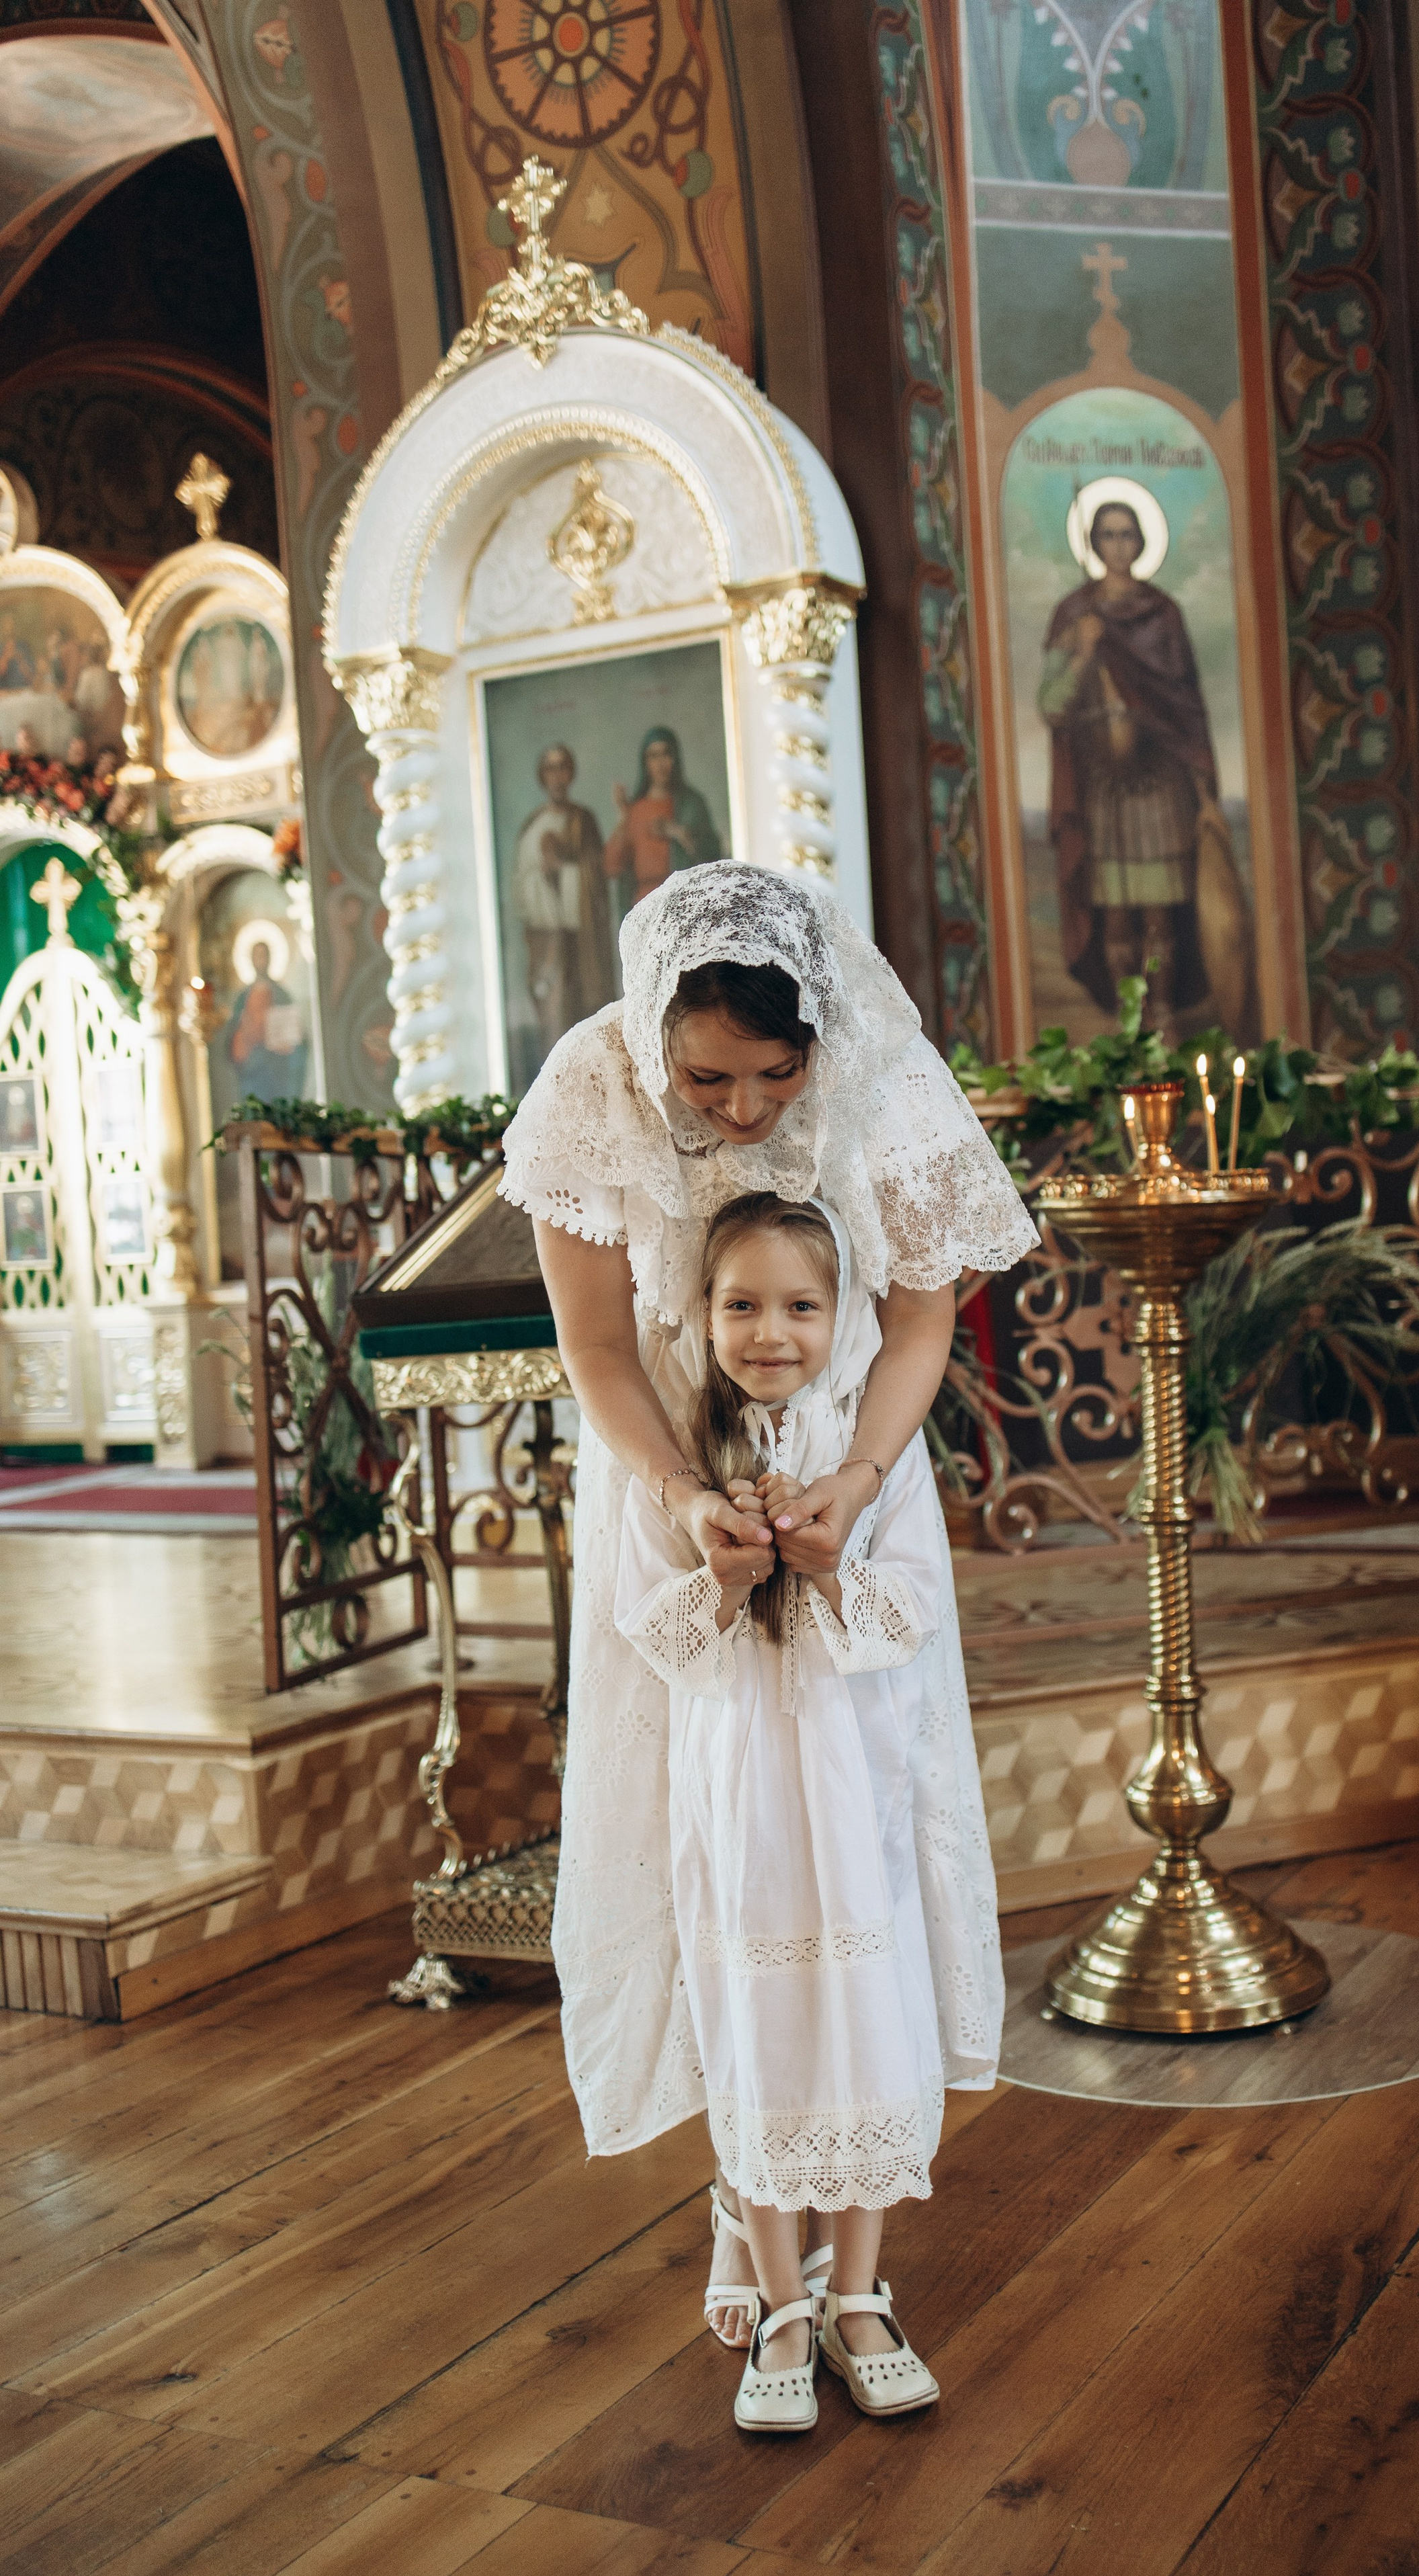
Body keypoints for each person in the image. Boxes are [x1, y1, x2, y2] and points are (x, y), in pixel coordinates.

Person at [500, 862, 1036, 2427]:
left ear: (820, 1041)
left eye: (770, 1076)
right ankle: (752, 2216)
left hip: (849, 1483)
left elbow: (923, 1319)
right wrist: (684, 1506)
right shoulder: (589, 1090)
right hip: (675, 1489)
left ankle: (856, 2261)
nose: (737, 1109)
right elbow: (597, 1344)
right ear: (645, 1032)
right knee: (712, 1848)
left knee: (854, 1835)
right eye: (703, 1078)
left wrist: (853, 1486)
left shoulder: (879, 1069)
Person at [617, 1190, 955, 2429]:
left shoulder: (875, 1442)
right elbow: (646, 1632)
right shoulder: (679, 1462)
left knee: (862, 2011)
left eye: (802, 1305)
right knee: (756, 2016)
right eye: (743, 1304)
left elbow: (914, 1604)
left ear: (846, 1314)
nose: (772, 1331)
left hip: (849, 1775)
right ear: (702, 1316)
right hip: (742, 1785)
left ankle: (860, 2292)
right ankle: (780, 2298)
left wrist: (836, 1562)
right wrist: (718, 1569)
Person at [1039, 497, 1226, 1020]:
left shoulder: (1164, 615)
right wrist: (1081, 652)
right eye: (1108, 536)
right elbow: (1051, 708)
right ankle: (1129, 1024)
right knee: (1116, 917)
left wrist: (1206, 798)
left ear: (1142, 542)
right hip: (1104, 789)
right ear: (1095, 544)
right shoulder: (1074, 616)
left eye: (1127, 535)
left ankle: (1163, 1016)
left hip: (1160, 784)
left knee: (1160, 917)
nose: (1118, 546)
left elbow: (1187, 708)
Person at [511, 743, 611, 1068]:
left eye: (563, 768)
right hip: (547, 939)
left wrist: (564, 872)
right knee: (554, 1015)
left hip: (583, 939)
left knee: (588, 1011)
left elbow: (598, 874)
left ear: (571, 774)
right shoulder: (532, 826)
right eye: (551, 769)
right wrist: (544, 877)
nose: (557, 776)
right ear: (543, 776)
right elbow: (522, 882)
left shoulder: (585, 820)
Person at [604, 723, 722, 911]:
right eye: (653, 756)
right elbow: (613, 867)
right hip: (645, 903)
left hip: (684, 900)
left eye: (666, 754)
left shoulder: (692, 803)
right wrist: (623, 816)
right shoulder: (636, 810)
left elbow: (712, 855)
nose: (660, 763)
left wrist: (677, 832)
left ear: (675, 758)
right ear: (645, 762)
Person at [224, 936, 307, 1099]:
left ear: (270, 959)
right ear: (251, 960)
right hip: (251, 1069)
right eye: (257, 956)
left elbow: (296, 1038)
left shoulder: (281, 995)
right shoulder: (243, 998)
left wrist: (286, 1043)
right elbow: (234, 1035)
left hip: (277, 1067)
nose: (261, 961)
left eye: (264, 956)